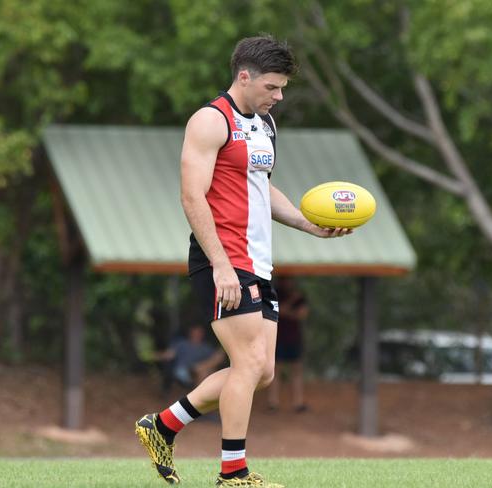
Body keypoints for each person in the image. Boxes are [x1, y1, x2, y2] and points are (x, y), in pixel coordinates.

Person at [135, 35, 352, 487]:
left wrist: (309, 225)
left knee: (262, 372)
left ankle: (163, 426)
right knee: (249, 362)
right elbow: (191, 195)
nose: (279, 96)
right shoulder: (210, 121)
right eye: (272, 87)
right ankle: (233, 473)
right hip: (223, 258)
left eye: (283, 88)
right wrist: (220, 264)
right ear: (244, 76)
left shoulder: (266, 126)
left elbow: (262, 189)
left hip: (257, 260)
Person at [267, 277, 309, 413]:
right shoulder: (275, 294)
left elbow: (302, 315)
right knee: (276, 370)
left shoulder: (300, 296)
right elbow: (277, 312)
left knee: (296, 370)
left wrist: (287, 312)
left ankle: (298, 403)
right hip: (278, 338)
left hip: (294, 339)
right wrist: (291, 304)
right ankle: (273, 403)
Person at [157, 323, 226, 390]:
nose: (197, 334)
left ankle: (201, 393)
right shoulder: (182, 343)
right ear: (190, 332)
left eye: (199, 332)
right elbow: (169, 354)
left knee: (206, 369)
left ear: (203, 334)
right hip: (183, 370)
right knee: (203, 371)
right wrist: (150, 355)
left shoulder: (206, 347)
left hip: (199, 369)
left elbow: (217, 358)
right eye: (195, 331)